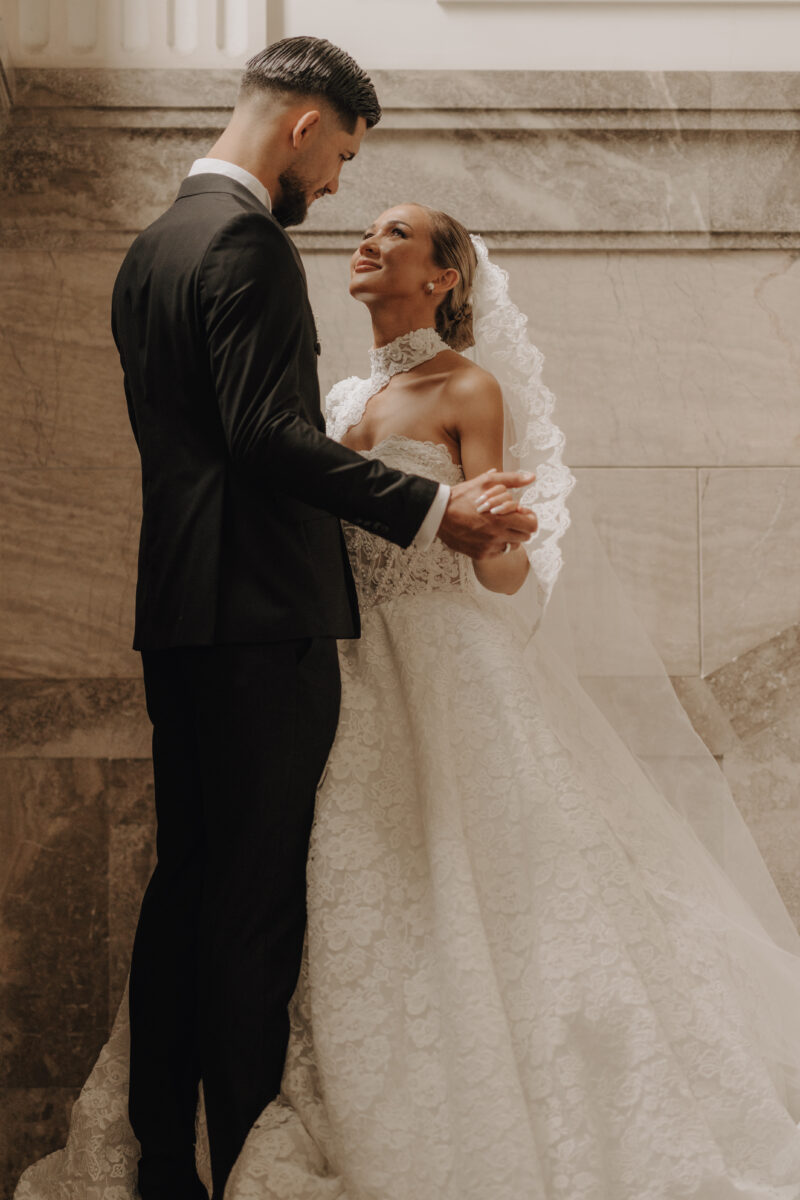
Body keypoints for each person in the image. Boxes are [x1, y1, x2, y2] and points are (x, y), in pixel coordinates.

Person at [18, 199, 800, 1200]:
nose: (368, 240)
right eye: (366, 227)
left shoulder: (465, 386)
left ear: (442, 280)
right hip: (333, 668)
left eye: (395, 235)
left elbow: (503, 572)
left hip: (440, 664)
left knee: (471, 882)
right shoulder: (334, 399)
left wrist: (502, 537)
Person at [13, 39, 539, 1200]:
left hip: (183, 614)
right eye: (343, 155)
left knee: (188, 887)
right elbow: (262, 438)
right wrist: (429, 508)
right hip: (263, 618)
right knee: (252, 905)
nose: (339, 188)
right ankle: (244, 1159)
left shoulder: (153, 248)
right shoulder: (246, 244)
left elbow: (201, 449)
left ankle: (158, 1157)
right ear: (304, 125)